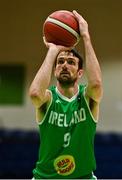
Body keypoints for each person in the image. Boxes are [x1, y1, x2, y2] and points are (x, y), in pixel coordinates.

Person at [29, 10, 103, 179]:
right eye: (60, 62)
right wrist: (53, 51)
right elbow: (34, 94)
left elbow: (97, 83)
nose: (64, 65)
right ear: (54, 70)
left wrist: (86, 36)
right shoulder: (48, 98)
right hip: (45, 177)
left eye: (71, 62)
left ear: (79, 73)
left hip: (83, 177)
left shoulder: (87, 98)